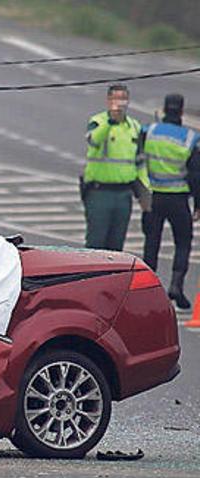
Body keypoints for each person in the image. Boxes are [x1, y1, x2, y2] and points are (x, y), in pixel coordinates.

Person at [140, 94, 200, 310]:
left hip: (153, 197)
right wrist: (198, 204)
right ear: (182, 112)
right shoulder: (189, 138)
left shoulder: (150, 131)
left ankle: (146, 290)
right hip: (178, 198)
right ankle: (176, 285)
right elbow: (196, 174)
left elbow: (137, 159)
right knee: (183, 242)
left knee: (151, 242)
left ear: (164, 110)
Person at [82, 84, 143, 251]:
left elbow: (139, 161)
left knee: (116, 246)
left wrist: (144, 194)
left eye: (123, 99)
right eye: (116, 99)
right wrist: (110, 123)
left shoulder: (134, 126)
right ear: (108, 101)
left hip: (124, 194)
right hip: (100, 192)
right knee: (96, 243)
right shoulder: (98, 122)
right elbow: (93, 140)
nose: (120, 103)